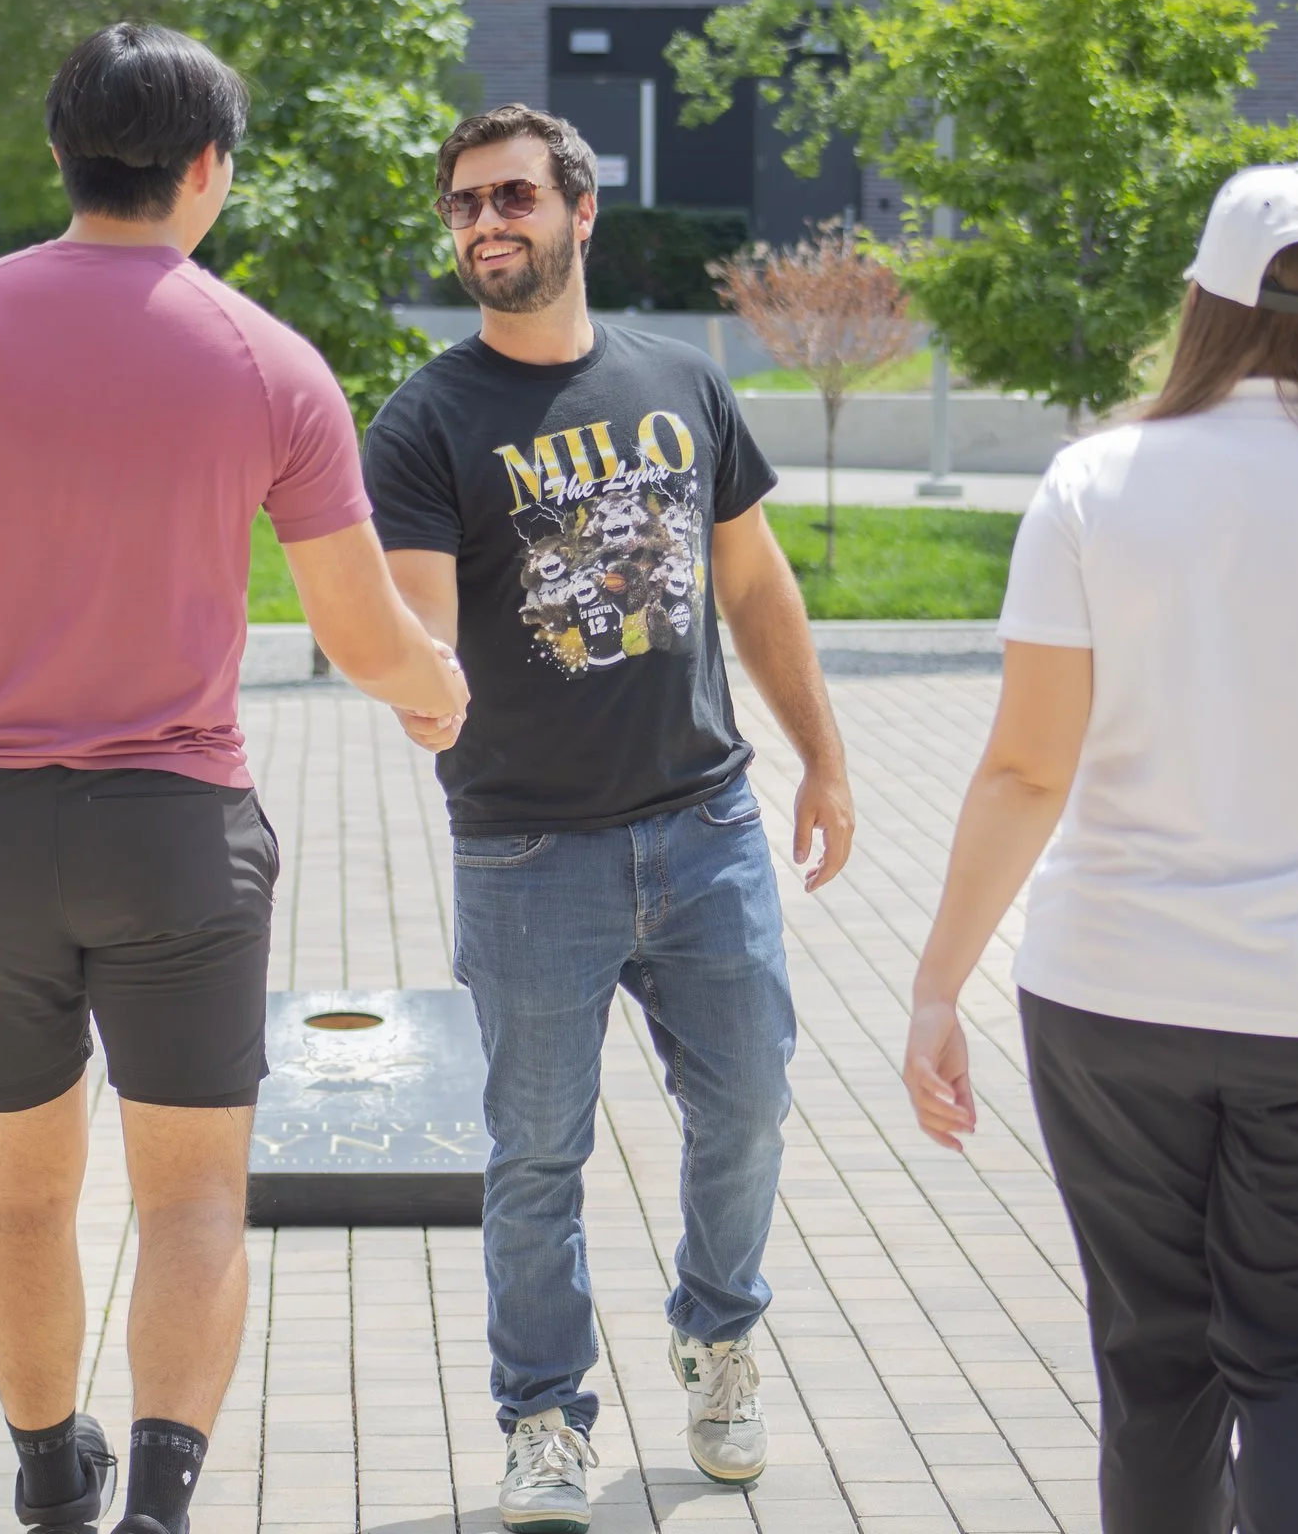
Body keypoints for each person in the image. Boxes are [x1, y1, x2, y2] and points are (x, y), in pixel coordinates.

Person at [0, 24, 467, 1534]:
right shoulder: (269, 362)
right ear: (206, 170)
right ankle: (163, 1508)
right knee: (190, 1197)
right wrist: (436, 696)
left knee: (23, 1193)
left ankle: (53, 1479)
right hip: (177, 836)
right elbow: (354, 625)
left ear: (63, 158)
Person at [903, 165, 1298, 1533]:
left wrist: (940, 984)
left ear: (1200, 301)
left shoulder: (1095, 484)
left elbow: (1026, 765)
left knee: (1156, 1365)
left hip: (1117, 995)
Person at [360, 104, 855, 1533]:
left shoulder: (680, 383)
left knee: (749, 1105)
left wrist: (822, 757)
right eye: (461, 206)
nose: (483, 224)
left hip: (706, 830)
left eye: (511, 195)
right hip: (525, 852)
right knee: (535, 1158)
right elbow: (419, 629)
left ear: (582, 210)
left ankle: (717, 1332)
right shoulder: (427, 421)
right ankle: (544, 1423)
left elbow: (755, 591)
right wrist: (416, 684)